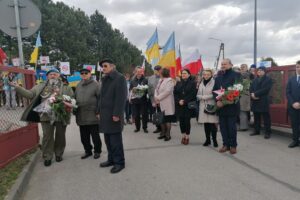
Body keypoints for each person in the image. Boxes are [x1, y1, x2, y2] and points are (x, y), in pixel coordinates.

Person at [11, 68, 74, 167]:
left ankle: (58, 154)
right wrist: (18, 88)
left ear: (59, 76)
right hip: (45, 115)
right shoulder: (40, 86)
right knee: (47, 137)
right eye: (50, 74)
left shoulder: (66, 87)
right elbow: (30, 94)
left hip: (61, 116)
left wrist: (65, 100)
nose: (53, 76)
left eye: (55, 74)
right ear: (47, 76)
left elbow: (72, 99)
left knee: (60, 136)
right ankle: (47, 156)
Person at [98, 58, 127, 174]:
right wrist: (98, 111)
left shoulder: (119, 78)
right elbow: (101, 97)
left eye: (105, 66)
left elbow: (121, 98)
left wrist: (117, 114)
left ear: (112, 66)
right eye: (102, 66)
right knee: (108, 140)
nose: (103, 68)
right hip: (105, 114)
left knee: (115, 141)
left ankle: (119, 162)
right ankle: (111, 159)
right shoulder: (105, 78)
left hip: (113, 115)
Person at [213, 59, 241, 154]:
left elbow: (237, 91)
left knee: (231, 127)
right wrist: (217, 100)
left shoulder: (237, 75)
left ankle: (233, 145)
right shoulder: (218, 77)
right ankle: (225, 145)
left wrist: (224, 101)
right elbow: (214, 91)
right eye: (222, 64)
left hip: (232, 106)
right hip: (221, 107)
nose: (223, 65)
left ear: (230, 65)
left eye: (225, 64)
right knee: (223, 127)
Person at [75, 67, 102, 159]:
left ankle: (97, 151)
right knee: (84, 137)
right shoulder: (78, 85)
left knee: (95, 136)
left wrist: (98, 111)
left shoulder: (96, 85)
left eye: (86, 73)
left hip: (92, 114)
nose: (84, 74)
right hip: (81, 115)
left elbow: (100, 99)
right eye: (82, 73)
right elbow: (75, 99)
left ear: (90, 74)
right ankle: (88, 151)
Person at [174, 69, 197, 145]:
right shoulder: (178, 83)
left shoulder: (192, 83)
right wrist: (178, 101)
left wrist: (184, 101)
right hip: (179, 105)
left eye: (185, 73)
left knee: (187, 121)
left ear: (189, 74)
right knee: (181, 122)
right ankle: (183, 135)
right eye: (182, 73)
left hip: (187, 106)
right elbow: (175, 94)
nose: (183, 74)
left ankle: (187, 137)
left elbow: (193, 94)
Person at [249, 66, 273, 139]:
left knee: (266, 118)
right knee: (256, 117)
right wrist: (252, 95)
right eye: (258, 70)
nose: (259, 71)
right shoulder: (255, 80)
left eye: (261, 70)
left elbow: (266, 89)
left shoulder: (268, 79)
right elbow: (251, 88)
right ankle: (256, 130)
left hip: (263, 100)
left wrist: (255, 94)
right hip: (255, 100)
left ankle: (267, 132)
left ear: (264, 71)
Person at [197, 69, 219, 147]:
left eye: (208, 74)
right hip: (203, 105)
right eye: (204, 74)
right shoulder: (201, 83)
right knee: (206, 124)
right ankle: (207, 140)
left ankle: (215, 140)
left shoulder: (214, 82)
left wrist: (203, 97)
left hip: (211, 105)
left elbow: (215, 94)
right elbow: (198, 94)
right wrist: (200, 97)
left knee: (212, 124)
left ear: (211, 75)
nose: (206, 76)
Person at [154, 68, 176, 141]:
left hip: (167, 103)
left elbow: (168, 91)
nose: (159, 73)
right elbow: (156, 90)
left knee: (167, 119)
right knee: (161, 119)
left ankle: (168, 135)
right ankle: (163, 133)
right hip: (159, 102)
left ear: (163, 73)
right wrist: (156, 97)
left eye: (160, 72)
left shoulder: (170, 81)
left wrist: (158, 98)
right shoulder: (160, 80)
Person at [130, 67, 149, 133]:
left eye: (140, 71)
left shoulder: (145, 80)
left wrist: (143, 91)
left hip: (143, 100)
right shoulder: (132, 80)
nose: (139, 73)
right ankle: (137, 128)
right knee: (136, 115)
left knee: (144, 114)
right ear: (136, 72)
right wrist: (133, 91)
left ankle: (145, 128)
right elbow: (130, 89)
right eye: (138, 71)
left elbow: (147, 89)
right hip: (135, 100)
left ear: (142, 72)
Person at [286, 61, 300, 148]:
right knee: (294, 124)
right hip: (293, 106)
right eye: (297, 67)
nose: (299, 68)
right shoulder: (291, 79)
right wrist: (293, 103)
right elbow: (288, 92)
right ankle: (295, 140)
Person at [148, 65, 162, 133]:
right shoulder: (150, 78)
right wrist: (152, 101)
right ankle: (158, 127)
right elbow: (150, 90)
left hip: (162, 100)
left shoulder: (163, 78)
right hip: (153, 99)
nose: (156, 71)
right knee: (155, 114)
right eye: (155, 70)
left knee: (161, 114)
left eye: (158, 70)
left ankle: (163, 128)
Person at [239, 64, 251, 131]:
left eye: (243, 67)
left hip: (244, 95)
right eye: (241, 67)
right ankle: (244, 126)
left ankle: (243, 127)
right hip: (243, 95)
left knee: (242, 112)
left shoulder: (245, 75)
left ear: (246, 68)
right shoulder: (245, 75)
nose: (241, 69)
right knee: (243, 112)